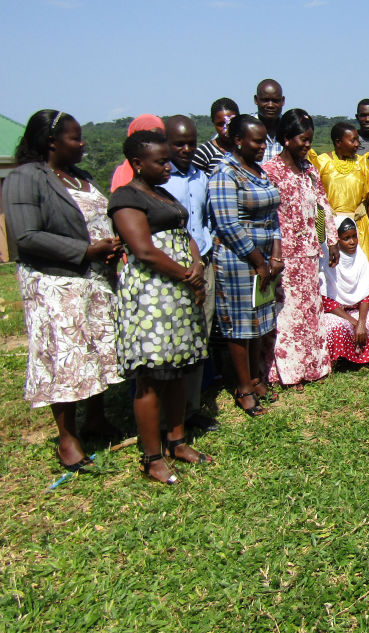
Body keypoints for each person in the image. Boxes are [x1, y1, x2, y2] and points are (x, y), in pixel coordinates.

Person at [4, 109, 124, 473]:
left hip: (94, 278)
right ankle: (67, 438)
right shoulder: (26, 178)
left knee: (97, 349)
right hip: (57, 282)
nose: (82, 143)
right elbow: (26, 235)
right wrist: (86, 251)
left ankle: (96, 418)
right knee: (66, 356)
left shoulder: (79, 177)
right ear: (51, 142)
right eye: (75, 138)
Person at [109, 130, 211, 484]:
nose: (168, 166)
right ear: (137, 164)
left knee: (178, 369)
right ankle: (152, 457)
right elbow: (144, 250)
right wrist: (187, 274)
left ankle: (177, 441)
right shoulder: (126, 198)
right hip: (152, 297)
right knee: (151, 376)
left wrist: (196, 268)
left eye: (169, 159)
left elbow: (185, 236)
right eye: (160, 161)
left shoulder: (163, 195)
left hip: (180, 292)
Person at [208, 114, 283, 417]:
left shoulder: (260, 172)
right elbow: (227, 224)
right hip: (238, 260)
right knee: (240, 328)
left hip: (264, 261)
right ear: (238, 140)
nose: (263, 146)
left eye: (265, 140)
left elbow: (273, 217)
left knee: (259, 321)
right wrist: (258, 261)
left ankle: (256, 377)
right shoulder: (225, 174)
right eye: (256, 141)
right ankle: (244, 389)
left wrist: (274, 257)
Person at [262, 109, 339, 390]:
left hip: (308, 253)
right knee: (288, 315)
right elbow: (266, 216)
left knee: (309, 310)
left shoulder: (309, 170)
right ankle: (288, 372)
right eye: (302, 140)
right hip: (283, 256)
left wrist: (330, 240)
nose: (307, 145)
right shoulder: (271, 172)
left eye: (310, 140)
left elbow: (322, 207)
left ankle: (312, 366)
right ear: (285, 139)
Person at [163, 115, 218, 432]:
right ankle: (170, 414)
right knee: (174, 340)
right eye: (178, 144)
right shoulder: (159, 180)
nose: (185, 149)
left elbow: (206, 220)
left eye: (191, 143)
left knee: (201, 334)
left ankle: (191, 407)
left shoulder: (201, 176)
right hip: (174, 270)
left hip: (204, 264)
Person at [310, 122, 369, 288]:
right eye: (352, 140)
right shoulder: (322, 162)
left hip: (359, 227)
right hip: (330, 228)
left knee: (362, 272)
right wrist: (320, 235)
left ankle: (365, 312)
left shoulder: (362, 162)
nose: (357, 144)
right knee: (332, 271)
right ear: (338, 142)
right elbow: (316, 202)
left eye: (357, 140)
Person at [320, 217, 369, 364]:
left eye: (354, 236)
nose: (352, 242)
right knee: (336, 326)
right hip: (334, 311)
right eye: (346, 238)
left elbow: (366, 295)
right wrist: (354, 322)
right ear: (337, 240)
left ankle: (366, 356)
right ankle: (339, 360)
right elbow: (327, 302)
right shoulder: (327, 260)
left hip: (355, 309)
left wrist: (361, 322)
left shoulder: (360, 258)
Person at [110, 114, 164, 191]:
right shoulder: (121, 174)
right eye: (149, 139)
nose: (156, 144)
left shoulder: (168, 169)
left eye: (160, 138)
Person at [193, 97, 239, 174]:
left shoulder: (247, 148)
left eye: (230, 122)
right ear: (213, 122)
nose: (226, 129)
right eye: (220, 124)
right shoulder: (204, 153)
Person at [254, 78, 285, 163]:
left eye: (275, 101)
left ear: (282, 101)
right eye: (265, 100)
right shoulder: (244, 128)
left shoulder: (291, 129)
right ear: (256, 100)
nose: (270, 105)